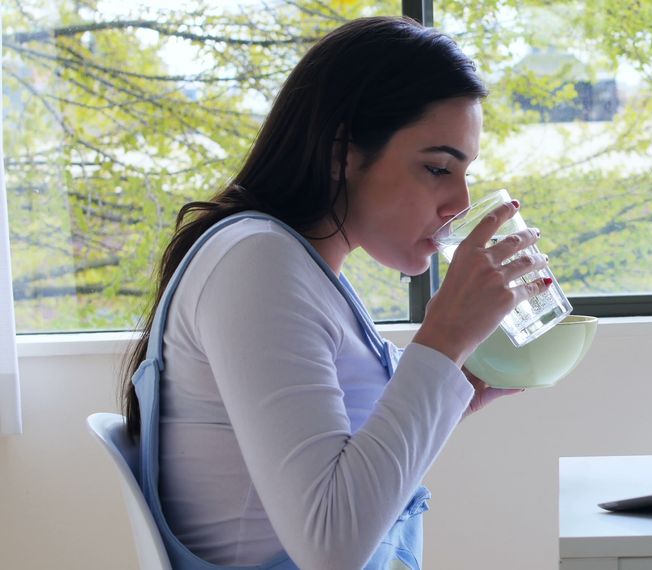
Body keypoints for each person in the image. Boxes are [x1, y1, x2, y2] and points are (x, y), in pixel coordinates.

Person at [120, 16, 551, 570]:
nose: (459, 203)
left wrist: (453, 388)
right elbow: (331, 542)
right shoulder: (257, 264)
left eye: (465, 172)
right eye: (438, 167)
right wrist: (443, 339)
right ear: (342, 150)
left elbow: (345, 473)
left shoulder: (296, 267)